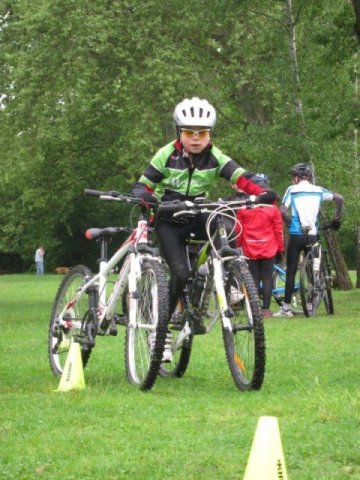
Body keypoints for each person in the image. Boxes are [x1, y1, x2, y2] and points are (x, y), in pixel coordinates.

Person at [132, 97, 277, 333]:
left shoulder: (215, 157)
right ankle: (163, 325)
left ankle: (226, 276)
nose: (196, 138)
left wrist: (263, 191)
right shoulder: (166, 155)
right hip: (168, 217)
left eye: (202, 132)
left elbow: (242, 177)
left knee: (226, 227)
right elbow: (142, 185)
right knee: (180, 272)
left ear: (210, 134)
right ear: (180, 133)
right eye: (189, 132)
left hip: (197, 212)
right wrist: (147, 197)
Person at [273, 163, 344, 317]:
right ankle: (311, 304)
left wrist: (291, 224)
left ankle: (286, 308)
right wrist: (336, 220)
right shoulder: (318, 190)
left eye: (294, 176)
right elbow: (339, 198)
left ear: (297, 178)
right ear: (309, 177)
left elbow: (282, 211)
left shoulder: (292, 190)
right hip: (313, 234)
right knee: (313, 270)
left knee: (291, 270)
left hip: (297, 234)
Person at [234, 174, 284, 318]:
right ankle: (266, 310)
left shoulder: (243, 209)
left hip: (250, 247)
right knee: (267, 278)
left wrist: (240, 246)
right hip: (269, 247)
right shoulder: (273, 209)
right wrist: (280, 249)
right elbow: (278, 231)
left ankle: (254, 308)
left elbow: (239, 230)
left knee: (254, 278)